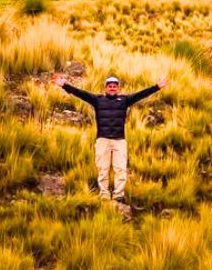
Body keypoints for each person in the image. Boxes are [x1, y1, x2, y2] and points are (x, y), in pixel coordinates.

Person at [51, 72, 168, 202]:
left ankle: (118, 195)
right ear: (105, 88)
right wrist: (65, 85)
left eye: (114, 86)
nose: (112, 88)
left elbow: (141, 95)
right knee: (103, 168)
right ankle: (104, 195)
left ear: (118, 88)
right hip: (103, 140)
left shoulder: (124, 100)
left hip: (119, 141)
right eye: (110, 86)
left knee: (120, 169)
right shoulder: (97, 100)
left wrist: (157, 87)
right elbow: (81, 93)